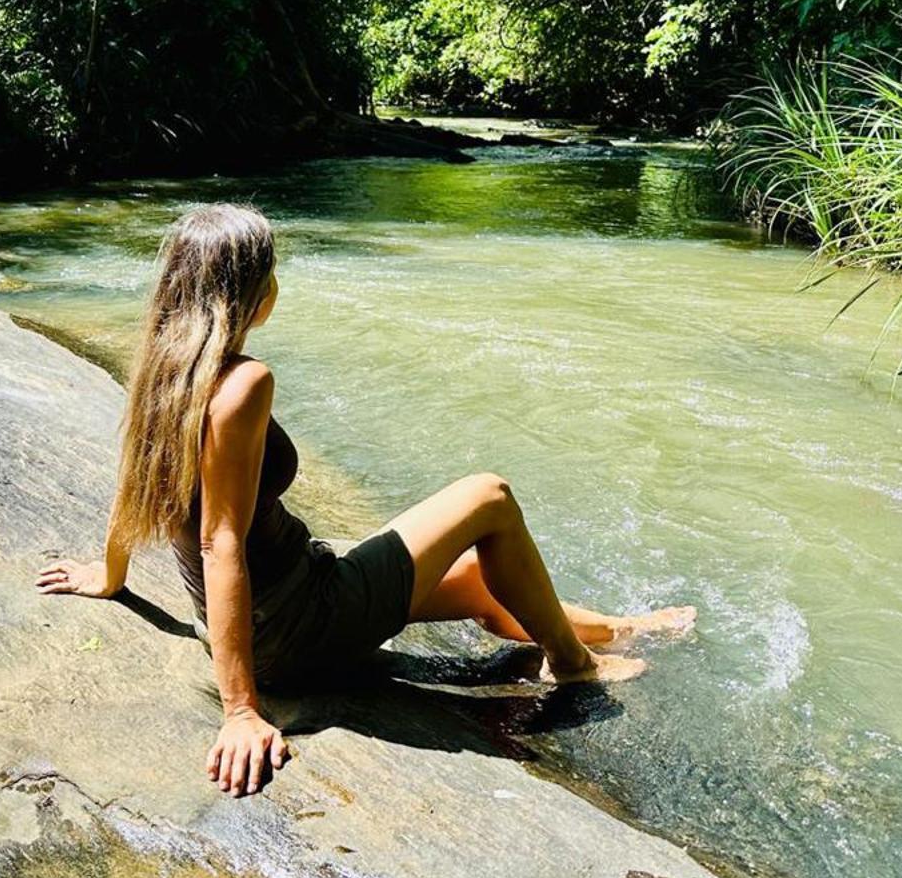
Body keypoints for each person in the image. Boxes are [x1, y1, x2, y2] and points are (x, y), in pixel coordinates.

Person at [35, 203, 695, 798]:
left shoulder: (165, 365)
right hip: (296, 625)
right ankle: (575, 664)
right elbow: (220, 540)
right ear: (255, 295)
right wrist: (240, 708)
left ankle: (618, 627)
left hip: (278, 601)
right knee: (488, 497)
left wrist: (112, 575)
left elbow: (136, 479)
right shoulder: (243, 386)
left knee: (474, 579)